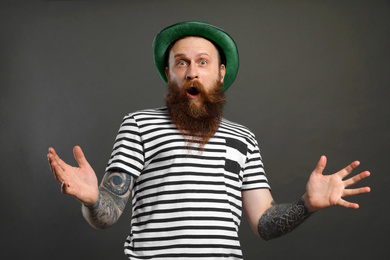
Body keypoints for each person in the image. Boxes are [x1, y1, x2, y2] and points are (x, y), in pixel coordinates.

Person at [47, 21, 371, 259]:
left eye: (203, 62)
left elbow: (264, 223)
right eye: (181, 62)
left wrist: (307, 205)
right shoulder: (138, 125)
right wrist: (91, 199)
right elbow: (108, 214)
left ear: (220, 73)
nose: (192, 72)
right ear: (169, 73)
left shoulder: (244, 138)